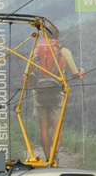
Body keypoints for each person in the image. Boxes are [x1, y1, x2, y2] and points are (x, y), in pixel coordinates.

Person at [31, 27, 84, 159]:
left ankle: (47, 158)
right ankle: (54, 158)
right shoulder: (63, 51)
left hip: (39, 94)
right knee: (57, 127)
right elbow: (74, 74)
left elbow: (30, 74)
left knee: (43, 126)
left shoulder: (35, 51)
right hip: (57, 94)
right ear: (57, 37)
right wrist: (81, 73)